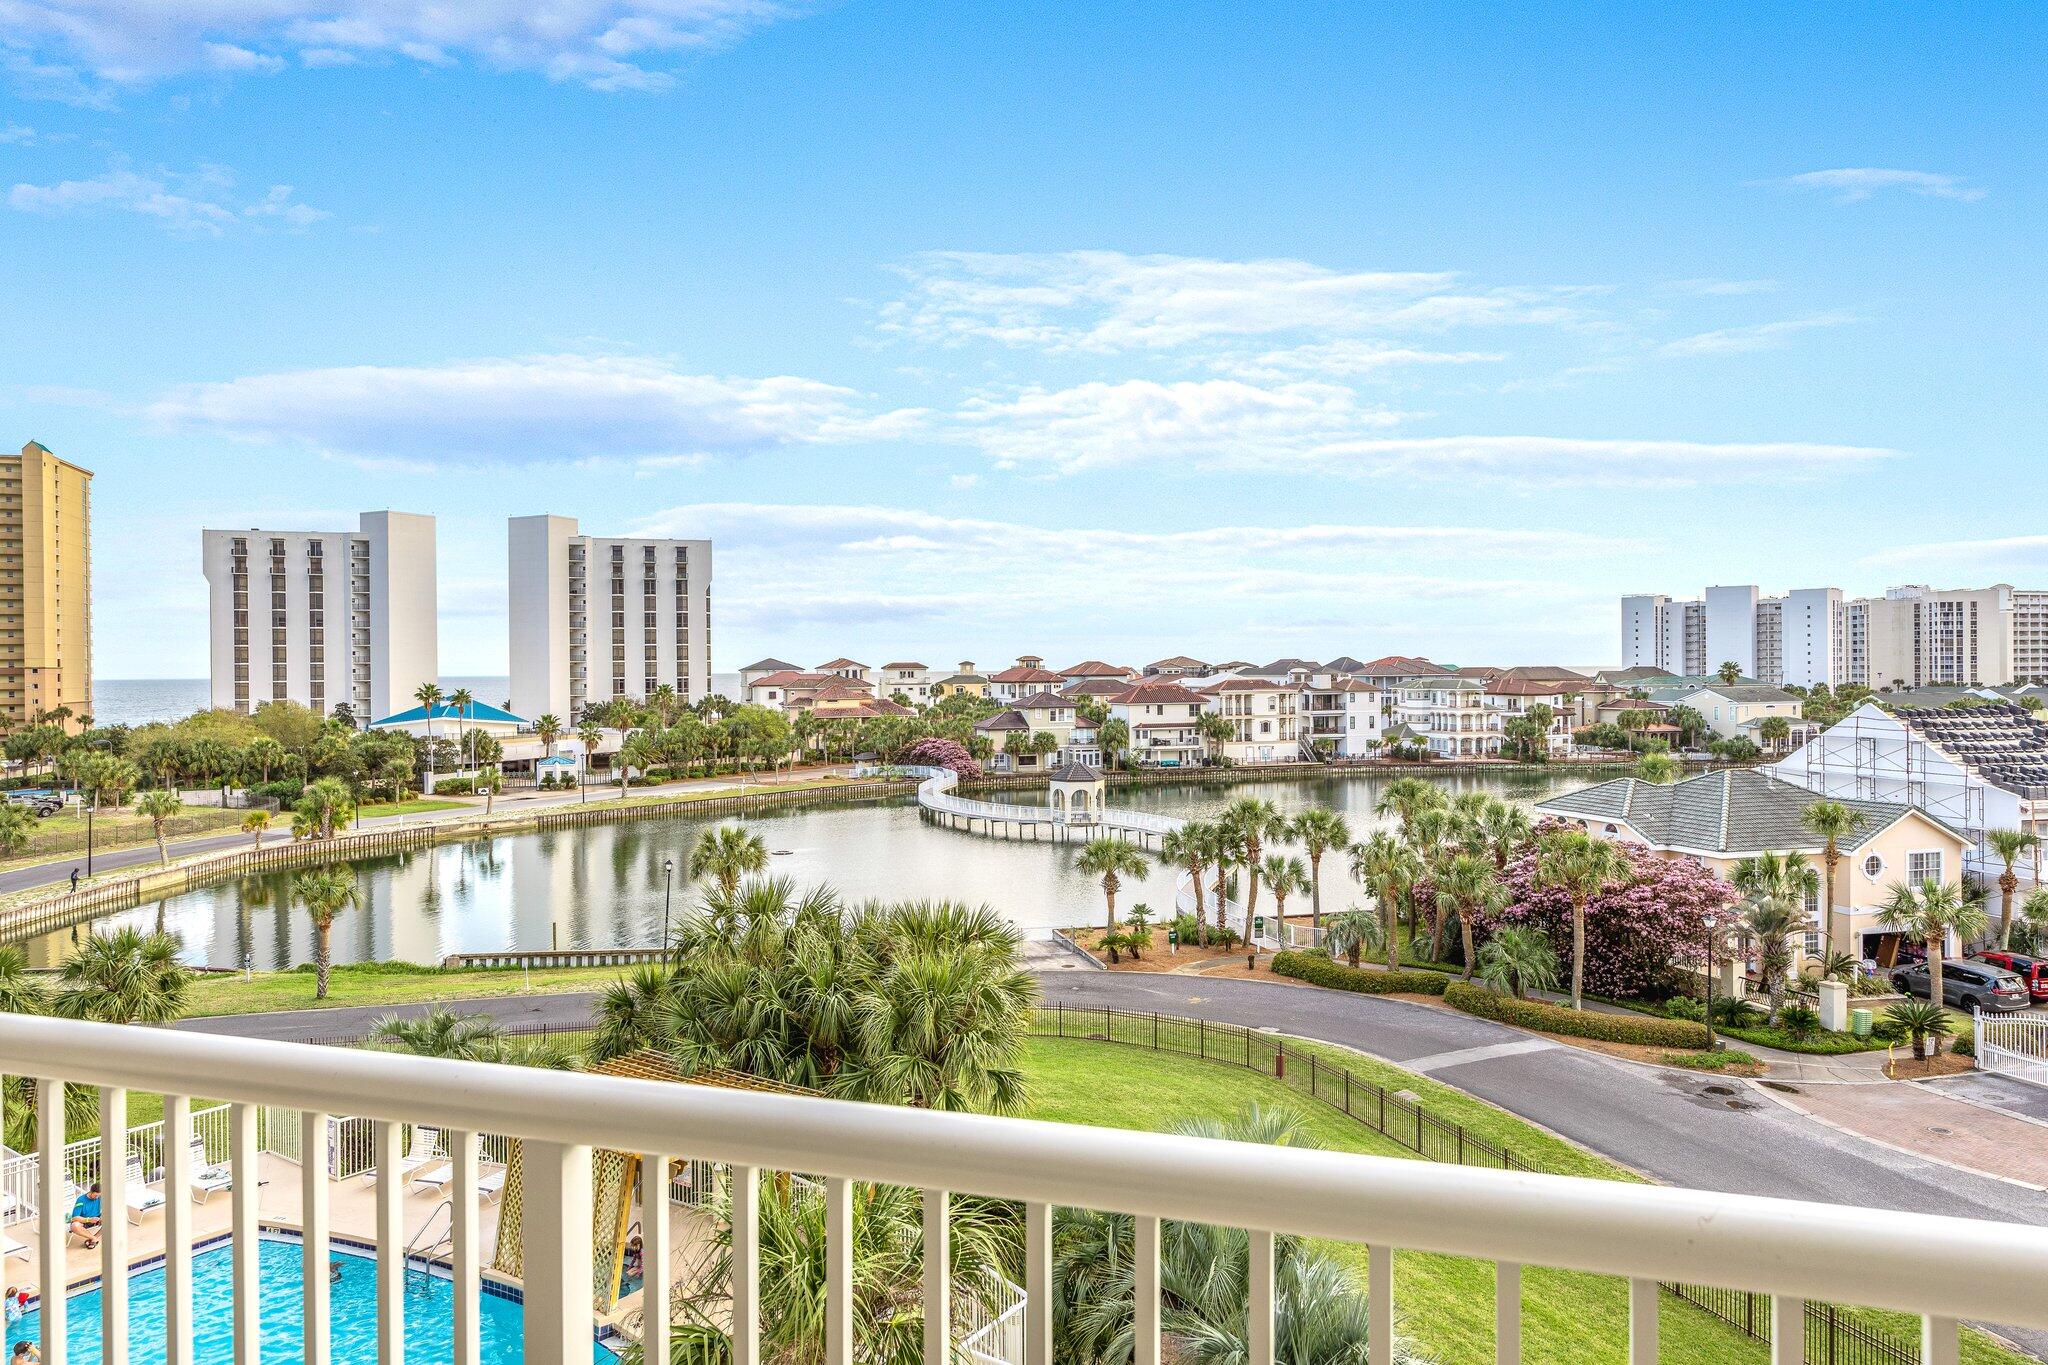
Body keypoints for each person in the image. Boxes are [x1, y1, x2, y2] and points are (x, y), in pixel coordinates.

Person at [69, 1182, 102, 1250]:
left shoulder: (100, 1197)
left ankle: (93, 1238)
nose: (97, 1198)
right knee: (74, 1225)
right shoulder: (81, 1200)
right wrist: (89, 1220)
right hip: (84, 1221)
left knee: (112, 1219)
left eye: (98, 1196)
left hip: (96, 1220)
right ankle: (93, 1238)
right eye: (95, 1195)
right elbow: (74, 1218)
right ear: (91, 1191)